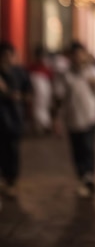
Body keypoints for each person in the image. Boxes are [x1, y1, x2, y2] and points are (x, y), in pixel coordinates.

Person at [53, 41, 95, 197]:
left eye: (80, 54)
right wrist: (56, 119)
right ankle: (82, 177)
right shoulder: (64, 75)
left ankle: (89, 177)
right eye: (74, 54)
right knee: (77, 150)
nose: (78, 57)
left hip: (91, 116)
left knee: (89, 147)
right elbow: (58, 97)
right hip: (72, 118)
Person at [0, 42, 32, 199]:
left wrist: (13, 95)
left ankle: (11, 182)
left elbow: (29, 94)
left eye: (9, 55)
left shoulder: (20, 73)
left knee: (12, 153)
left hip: (13, 120)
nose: (6, 59)